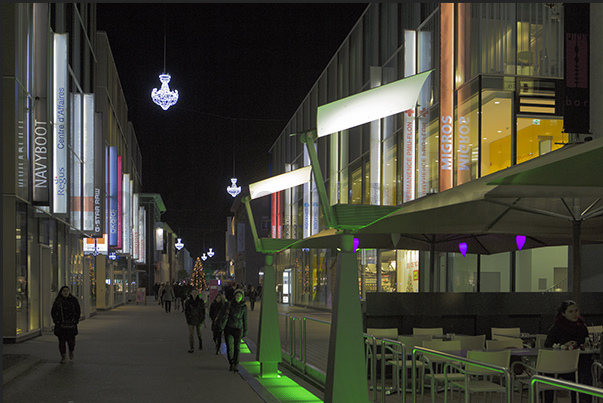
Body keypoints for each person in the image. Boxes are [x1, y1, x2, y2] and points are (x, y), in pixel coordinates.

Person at [544, 300, 592, 403]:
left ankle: (583, 400)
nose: (575, 314)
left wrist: (579, 344)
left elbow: (586, 342)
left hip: (579, 364)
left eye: (576, 310)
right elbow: (547, 346)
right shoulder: (556, 328)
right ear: (563, 313)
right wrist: (562, 346)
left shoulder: (582, 327)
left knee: (586, 370)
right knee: (583, 372)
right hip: (559, 364)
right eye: (570, 311)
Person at [218, 289, 248, 372]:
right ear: (234, 296)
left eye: (240, 296)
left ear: (242, 297)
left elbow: (245, 319)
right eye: (237, 295)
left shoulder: (243, 307)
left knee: (237, 347)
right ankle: (231, 362)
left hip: (238, 328)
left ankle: (236, 364)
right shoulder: (228, 304)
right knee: (229, 347)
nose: (238, 297)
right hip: (229, 327)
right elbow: (221, 314)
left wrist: (245, 330)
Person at [51, 286, 81, 364]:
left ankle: (71, 350)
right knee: (62, 342)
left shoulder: (73, 301)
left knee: (71, 341)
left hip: (71, 325)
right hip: (61, 325)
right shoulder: (58, 301)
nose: (66, 292)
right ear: (61, 292)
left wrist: (75, 320)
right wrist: (56, 321)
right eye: (64, 291)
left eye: (67, 290)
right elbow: (53, 312)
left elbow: (78, 311)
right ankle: (63, 356)